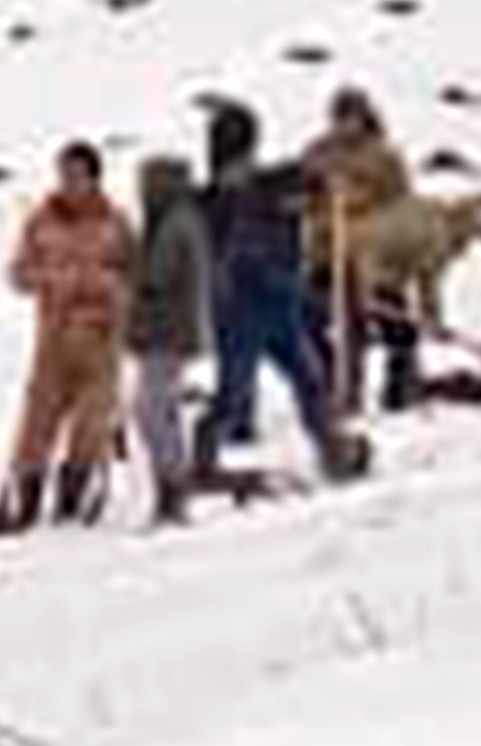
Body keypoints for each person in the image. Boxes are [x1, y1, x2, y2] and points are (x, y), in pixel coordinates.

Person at [197, 95, 360, 483]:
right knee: (232, 392)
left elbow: (315, 183)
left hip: (282, 304)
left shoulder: (276, 183)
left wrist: (324, 180)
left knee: (310, 379)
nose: (240, 167)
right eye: (230, 160)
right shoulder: (206, 205)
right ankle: (202, 460)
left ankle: (332, 451)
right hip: (236, 311)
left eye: (244, 155)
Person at [0, 144, 134, 532]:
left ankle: (71, 498)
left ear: (93, 178)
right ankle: (26, 500)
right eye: (63, 174)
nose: (68, 183)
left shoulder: (116, 223)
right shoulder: (41, 220)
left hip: (101, 341)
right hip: (52, 342)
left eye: (76, 175)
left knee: (90, 425)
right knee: (36, 426)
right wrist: (52, 280)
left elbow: (134, 279)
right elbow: (18, 274)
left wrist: (106, 286)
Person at [301, 85, 424, 405]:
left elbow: (400, 204)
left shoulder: (383, 157)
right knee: (315, 319)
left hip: (375, 254)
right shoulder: (318, 153)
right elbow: (302, 194)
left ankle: (401, 380)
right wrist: (318, 200)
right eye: (339, 117)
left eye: (350, 117)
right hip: (327, 251)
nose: (344, 125)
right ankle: (333, 383)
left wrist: (361, 203)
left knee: (391, 318)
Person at [124, 149, 213, 525]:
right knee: (163, 411)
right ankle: (173, 486)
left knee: (149, 411)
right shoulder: (179, 219)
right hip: (169, 330)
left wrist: (126, 265)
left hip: (167, 331)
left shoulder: (173, 224)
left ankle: (171, 487)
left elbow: (156, 277)